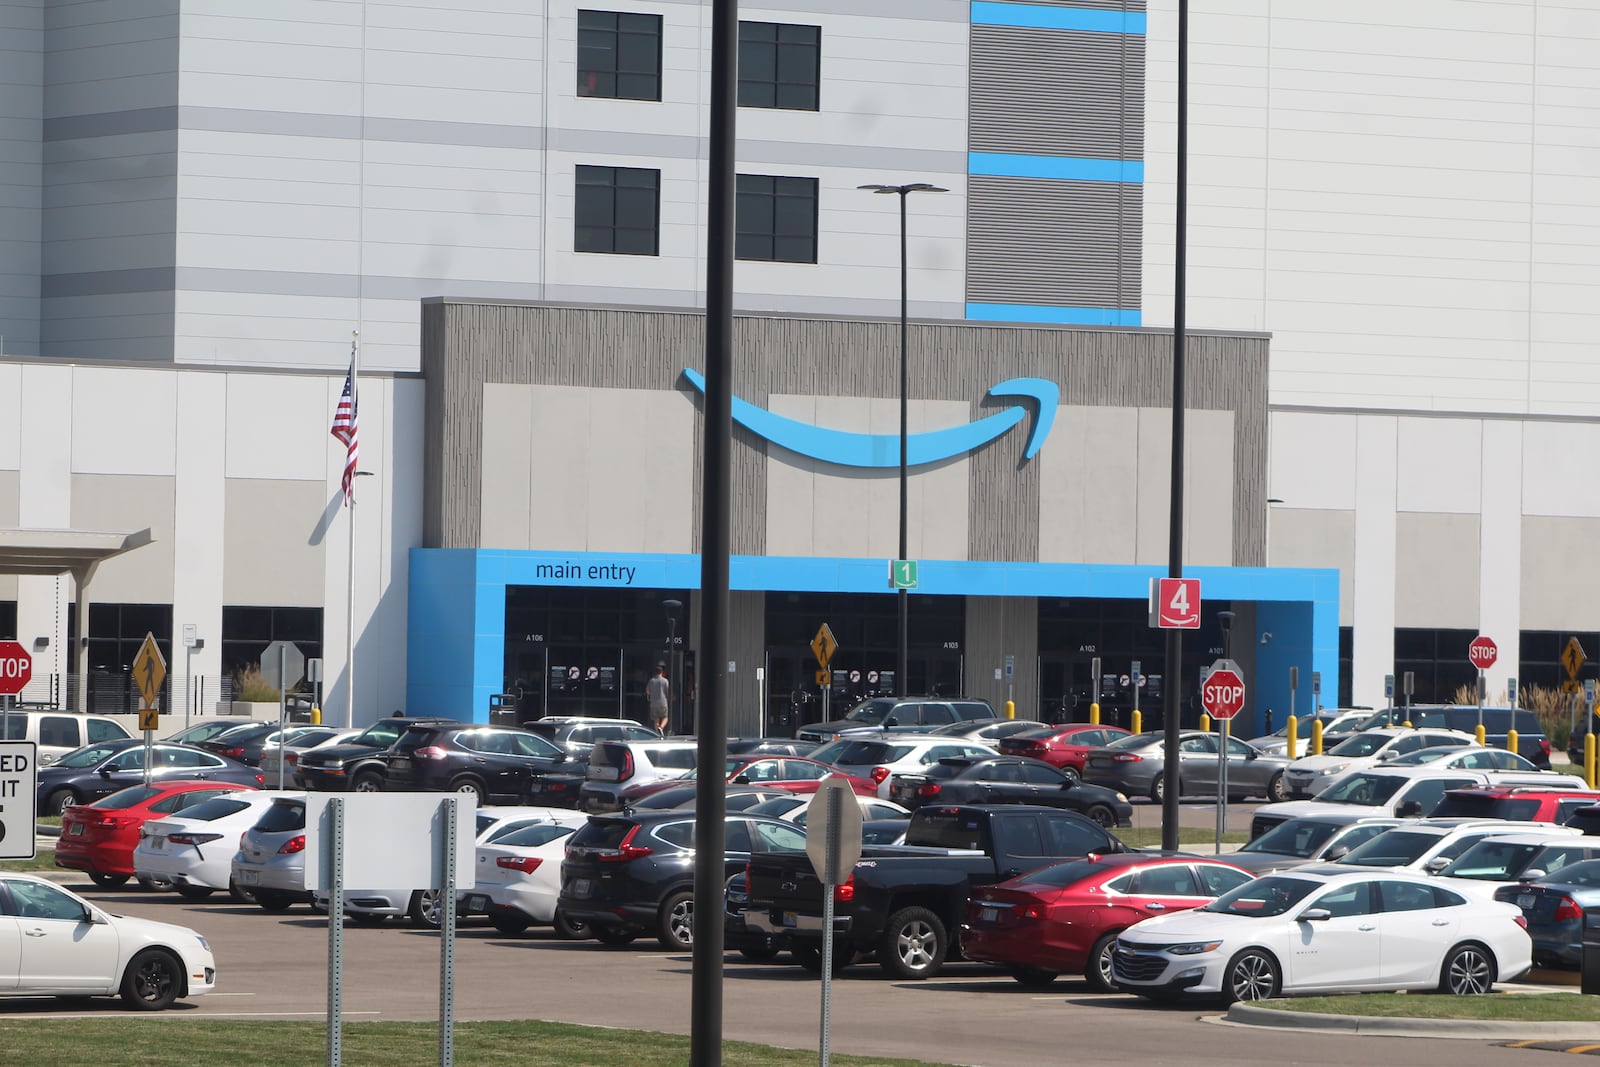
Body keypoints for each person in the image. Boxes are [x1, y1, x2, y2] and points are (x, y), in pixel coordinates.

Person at [646, 665, 671, 736]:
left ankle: (657, 733)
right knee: (665, 717)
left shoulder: (651, 681)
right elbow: (667, 691)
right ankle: (661, 727)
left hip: (653, 703)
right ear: (662, 672)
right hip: (663, 702)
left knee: (656, 719)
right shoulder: (665, 681)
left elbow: (647, 691)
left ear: (655, 672)